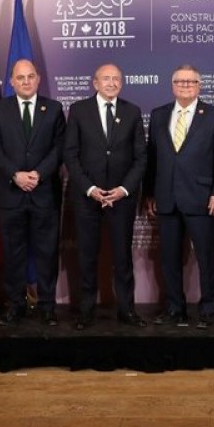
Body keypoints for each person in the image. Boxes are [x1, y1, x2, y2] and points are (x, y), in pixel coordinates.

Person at [144, 64, 214, 329]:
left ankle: (207, 310)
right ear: (172, 85)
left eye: (190, 82)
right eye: (180, 82)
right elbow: (153, 158)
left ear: (199, 85)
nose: (185, 85)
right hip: (166, 198)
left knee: (206, 257)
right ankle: (174, 308)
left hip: (202, 198)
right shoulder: (159, 115)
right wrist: (149, 193)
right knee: (170, 258)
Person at [64, 63, 147, 330]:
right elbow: (71, 155)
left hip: (121, 198)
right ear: (95, 82)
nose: (111, 83)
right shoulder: (78, 110)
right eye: (106, 79)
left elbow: (140, 158)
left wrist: (123, 190)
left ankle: (127, 310)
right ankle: (86, 311)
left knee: (122, 257)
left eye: (116, 79)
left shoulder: (132, 112)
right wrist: (91, 189)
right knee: (87, 255)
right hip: (88, 197)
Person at [0, 59, 65, 326]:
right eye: (20, 78)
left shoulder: (53, 109)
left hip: (44, 193)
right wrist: (15, 175)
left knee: (47, 253)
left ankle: (46, 306)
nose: (26, 81)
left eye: (30, 76)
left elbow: (59, 148)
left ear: (38, 78)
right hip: (11, 193)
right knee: (13, 253)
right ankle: (16, 305)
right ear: (11, 82)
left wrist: (39, 174)